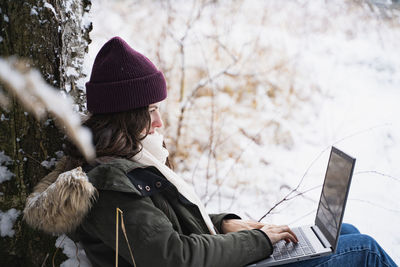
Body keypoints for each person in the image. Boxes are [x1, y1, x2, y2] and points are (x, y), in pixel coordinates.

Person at [23, 37, 396, 267]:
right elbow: (174, 256)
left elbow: (165, 227)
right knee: (363, 250)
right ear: (126, 118)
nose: (159, 124)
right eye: (151, 112)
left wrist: (224, 224)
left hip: (212, 254)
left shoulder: (129, 165)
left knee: (344, 232)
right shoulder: (109, 185)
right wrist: (260, 241)